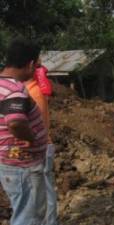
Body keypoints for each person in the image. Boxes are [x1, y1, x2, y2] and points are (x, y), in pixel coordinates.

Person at [0, 38, 48, 225]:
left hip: (9, 162)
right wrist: (32, 137)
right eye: (35, 66)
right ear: (29, 64)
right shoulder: (15, 90)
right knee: (30, 217)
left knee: (23, 212)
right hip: (23, 165)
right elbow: (16, 124)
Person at [25, 77, 58, 224]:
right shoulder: (30, 91)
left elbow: (34, 128)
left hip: (40, 147)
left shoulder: (33, 92)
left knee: (43, 192)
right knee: (43, 191)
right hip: (41, 146)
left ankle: (49, 222)